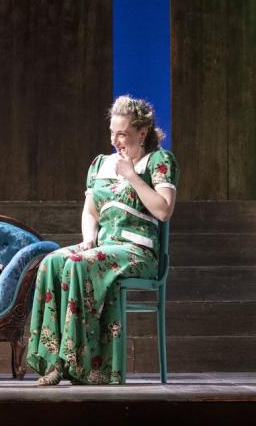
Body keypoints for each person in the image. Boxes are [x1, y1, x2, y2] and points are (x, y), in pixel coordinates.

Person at [27, 95, 179, 385]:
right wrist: (88, 239)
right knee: (51, 262)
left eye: (122, 134)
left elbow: (163, 210)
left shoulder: (158, 161)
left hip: (138, 252)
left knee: (78, 264)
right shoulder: (100, 164)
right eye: (112, 133)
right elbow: (90, 210)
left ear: (142, 133)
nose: (115, 140)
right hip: (104, 247)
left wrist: (132, 176)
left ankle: (81, 365)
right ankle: (55, 362)